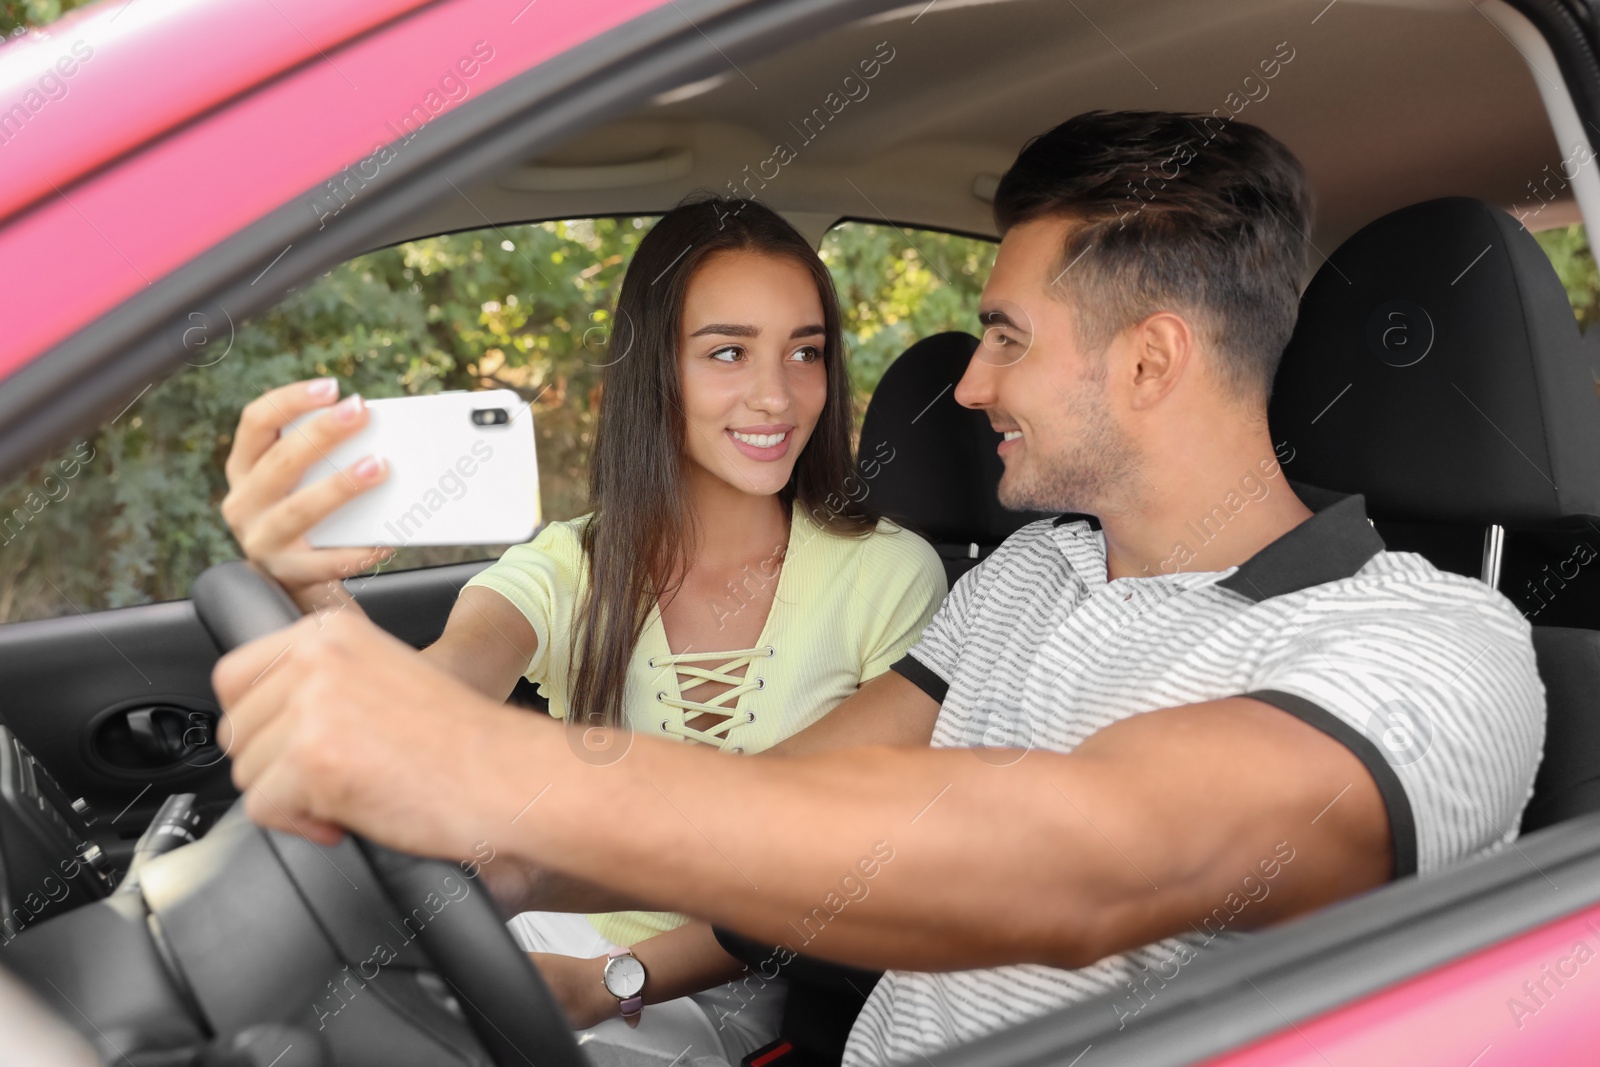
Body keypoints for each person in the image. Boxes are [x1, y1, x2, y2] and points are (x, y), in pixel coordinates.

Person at [214, 111, 1546, 1066]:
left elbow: (1089, 859)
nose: (968, 385)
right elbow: (774, 807)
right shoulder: (1031, 573)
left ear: (1149, 363)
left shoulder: (1433, 647)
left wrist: (473, 762)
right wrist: (447, 797)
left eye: (1008, 339)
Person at [215, 195, 946, 1065]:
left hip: (740, 984)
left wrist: (607, 980)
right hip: (554, 934)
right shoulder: (571, 563)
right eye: (727, 352)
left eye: (806, 352)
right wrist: (309, 586)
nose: (776, 395)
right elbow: (440, 690)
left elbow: (845, 863)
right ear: (653, 373)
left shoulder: (890, 574)